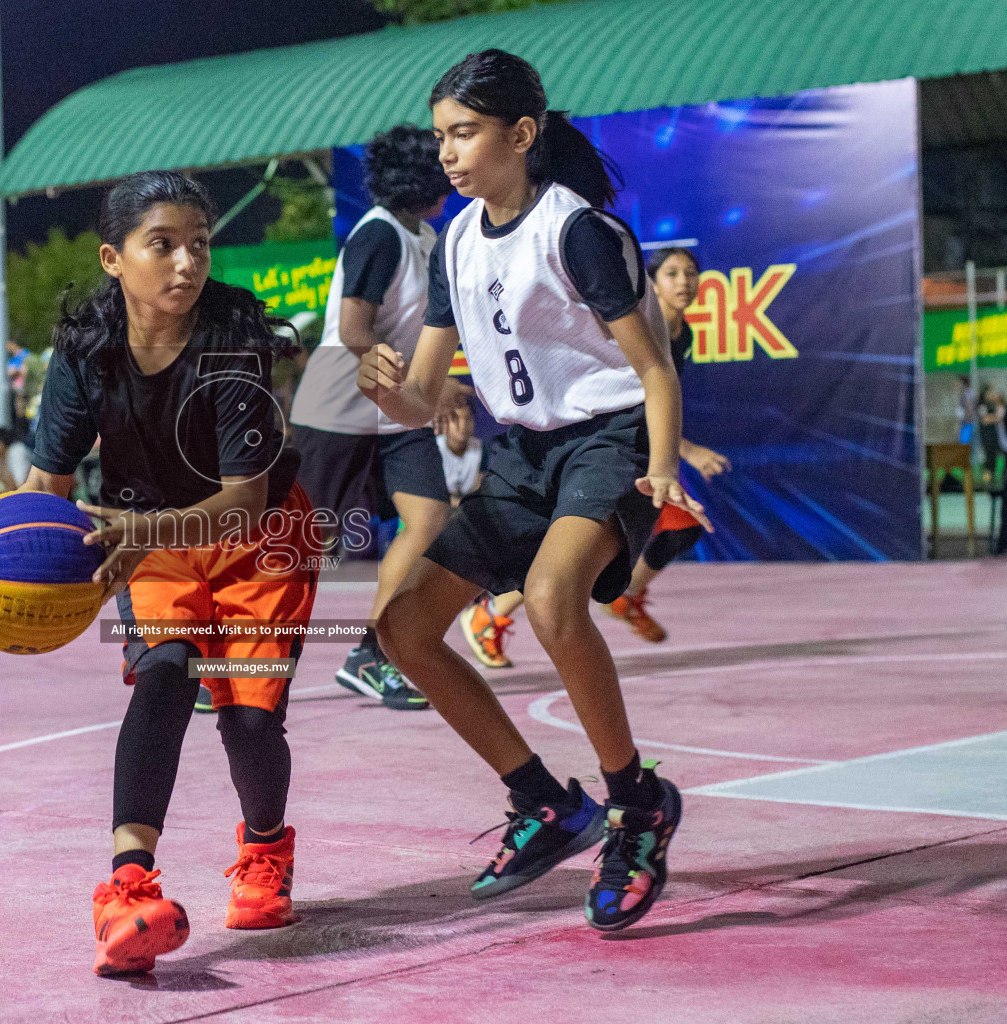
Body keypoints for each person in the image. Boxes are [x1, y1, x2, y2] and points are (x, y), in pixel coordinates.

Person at [358, 50, 708, 930]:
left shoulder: (577, 230)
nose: (447, 151)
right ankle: (546, 802)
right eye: (440, 135)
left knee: (553, 601)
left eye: (464, 132)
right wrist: (383, 382)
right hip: (525, 452)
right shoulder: (457, 245)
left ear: (521, 134)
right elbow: (425, 393)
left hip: (609, 438)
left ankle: (636, 806)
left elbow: (656, 369)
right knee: (401, 627)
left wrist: (660, 466)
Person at [17, 171, 319, 976]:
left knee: (248, 721)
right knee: (165, 676)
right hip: (153, 541)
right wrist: (0, 543)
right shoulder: (86, 349)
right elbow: (48, 485)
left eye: (199, 244)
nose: (186, 262)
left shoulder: (231, 337)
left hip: (258, 539)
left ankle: (265, 850)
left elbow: (245, 503)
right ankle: (127, 886)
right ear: (115, 259)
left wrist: (139, 529)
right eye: (164, 245)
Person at [460, 247, 732, 662]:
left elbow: (658, 403)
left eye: (691, 273)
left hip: (639, 454)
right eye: (672, 274)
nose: (684, 282)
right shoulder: (637, 327)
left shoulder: (684, 333)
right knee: (571, 557)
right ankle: (490, 614)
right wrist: (687, 451)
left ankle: (625, 595)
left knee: (681, 529)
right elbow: (627, 399)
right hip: (600, 449)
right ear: (652, 284)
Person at [289, 125, 456, 711]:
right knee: (300, 553)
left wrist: (444, 387)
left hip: (398, 410)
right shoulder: (378, 235)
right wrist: (398, 370)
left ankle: (373, 654)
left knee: (432, 519)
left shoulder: (430, 238)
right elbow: (354, 327)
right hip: (338, 409)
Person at [436, 392, 483, 507]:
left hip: (469, 509)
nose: (462, 426)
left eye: (467, 419)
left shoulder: (482, 449)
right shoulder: (433, 449)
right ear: (444, 422)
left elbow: (480, 489)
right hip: (441, 509)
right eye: (455, 419)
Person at [977, 384, 1004, 483]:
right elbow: (985, 419)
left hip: (994, 435)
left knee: (994, 457)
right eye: (990, 392)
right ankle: (987, 480)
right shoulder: (982, 406)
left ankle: (993, 478)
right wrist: (996, 417)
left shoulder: (993, 404)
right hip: (987, 436)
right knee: (989, 458)